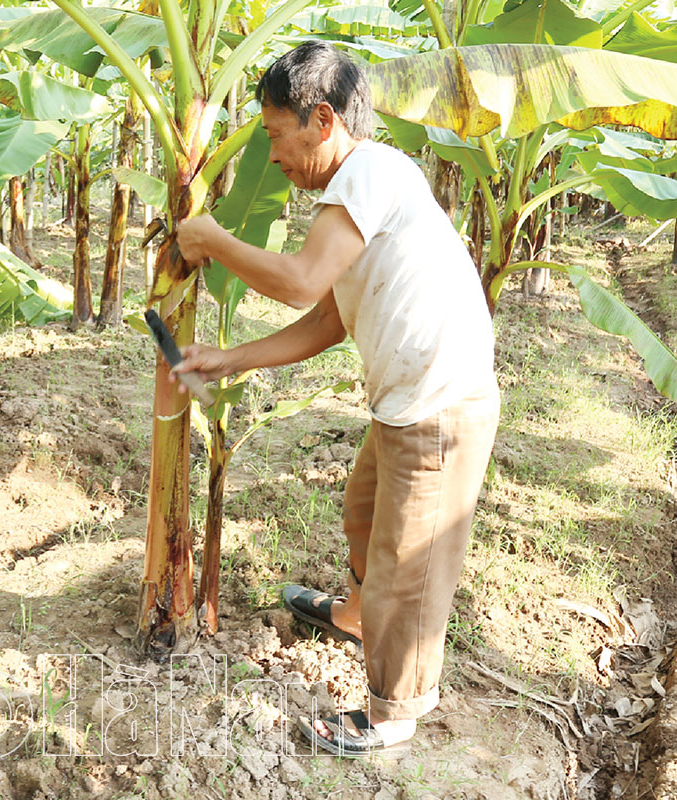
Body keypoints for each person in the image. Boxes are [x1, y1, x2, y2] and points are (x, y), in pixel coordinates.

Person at [171, 41, 499, 755]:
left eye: (275, 134)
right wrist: (229, 359)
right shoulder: (354, 191)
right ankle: (352, 614)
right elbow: (326, 317)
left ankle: (393, 713)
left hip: (439, 407)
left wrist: (211, 238)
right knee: (363, 515)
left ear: (321, 119)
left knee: (406, 567)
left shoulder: (368, 172)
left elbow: (298, 281)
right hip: (407, 400)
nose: (274, 153)